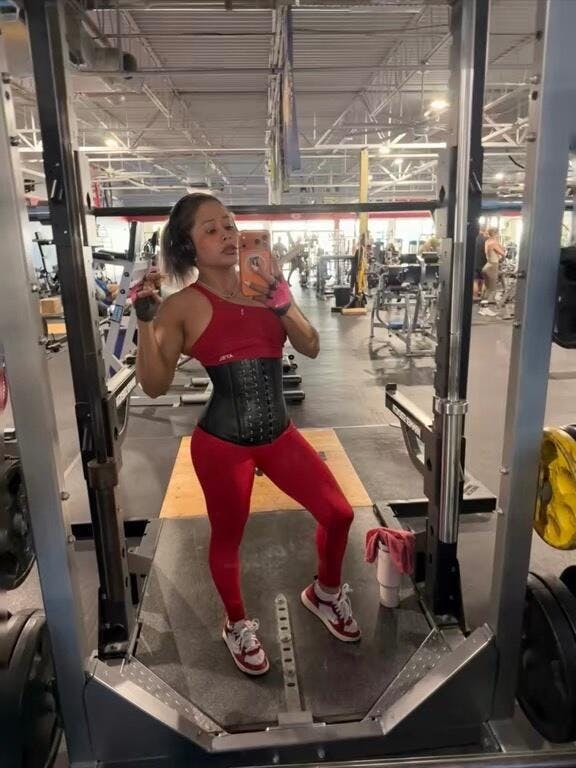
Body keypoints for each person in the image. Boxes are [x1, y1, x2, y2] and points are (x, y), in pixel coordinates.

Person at [134, 193, 360, 677]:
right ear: (188, 245)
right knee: (228, 537)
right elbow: (153, 386)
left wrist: (284, 305)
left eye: (230, 224)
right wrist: (144, 323)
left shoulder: (267, 287)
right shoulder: (182, 306)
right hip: (222, 445)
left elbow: (312, 346)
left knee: (339, 514)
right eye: (211, 229)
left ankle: (324, 593)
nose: (228, 235)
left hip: (279, 435)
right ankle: (236, 624)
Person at [479, 227, 506, 317]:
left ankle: (482, 308)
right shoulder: (493, 243)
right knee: (491, 289)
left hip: (487, 265)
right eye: (498, 233)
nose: (498, 235)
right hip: (493, 266)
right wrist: (502, 251)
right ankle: (485, 309)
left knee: (486, 288)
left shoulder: (487, 242)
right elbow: (503, 253)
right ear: (495, 234)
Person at [473, 227, 487, 301]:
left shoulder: (474, 238)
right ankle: (481, 296)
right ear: (484, 230)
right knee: (483, 280)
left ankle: (475, 296)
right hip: (483, 262)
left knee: (475, 281)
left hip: (474, 262)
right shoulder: (486, 240)